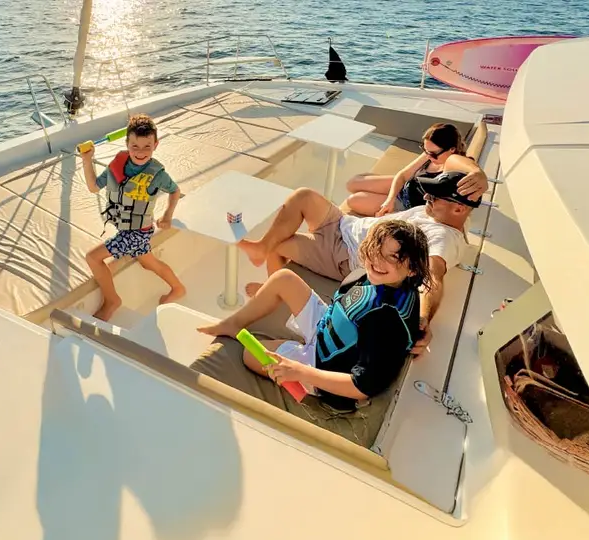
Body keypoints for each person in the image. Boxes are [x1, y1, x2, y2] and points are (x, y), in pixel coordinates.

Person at [198, 220, 431, 410]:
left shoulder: (386, 321)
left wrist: (301, 372)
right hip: (327, 328)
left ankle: (301, 365)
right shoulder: (379, 278)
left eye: (392, 257)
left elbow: (361, 387)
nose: (377, 260)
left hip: (323, 367)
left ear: (412, 269)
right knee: (284, 279)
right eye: (376, 249)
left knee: (251, 354)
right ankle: (233, 323)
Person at [238, 172, 477, 354]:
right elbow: (463, 163)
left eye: (434, 196)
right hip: (344, 225)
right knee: (304, 196)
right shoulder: (436, 212)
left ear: (458, 208)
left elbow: (433, 276)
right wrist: (479, 177)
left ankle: (272, 292)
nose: (426, 197)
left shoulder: (443, 238)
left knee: (278, 245)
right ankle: (262, 253)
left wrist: (422, 320)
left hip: (343, 253)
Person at [80, 114, 186, 321]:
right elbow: (93, 187)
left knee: (93, 257)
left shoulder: (157, 175)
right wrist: (87, 160)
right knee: (148, 262)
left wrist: (167, 215)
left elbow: (175, 191)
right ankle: (178, 288)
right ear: (127, 144)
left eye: (147, 147)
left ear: (156, 145)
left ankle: (112, 301)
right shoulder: (117, 165)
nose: (140, 152)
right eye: (135, 146)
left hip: (136, 232)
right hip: (131, 229)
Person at [343, 123, 488, 217]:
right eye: (425, 150)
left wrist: (478, 173)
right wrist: (390, 199)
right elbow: (403, 175)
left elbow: (469, 165)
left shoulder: (453, 164)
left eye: (433, 153)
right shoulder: (431, 153)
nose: (428, 156)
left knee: (353, 200)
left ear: (452, 149)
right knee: (352, 183)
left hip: (408, 204)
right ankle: (380, 190)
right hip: (406, 185)